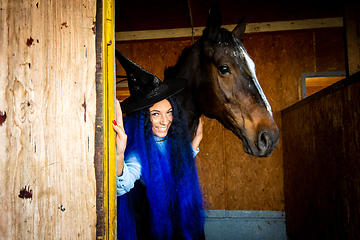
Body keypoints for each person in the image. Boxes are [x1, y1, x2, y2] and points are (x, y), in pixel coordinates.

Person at [112, 50, 205, 240]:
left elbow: (178, 158)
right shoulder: (139, 153)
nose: (165, 121)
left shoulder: (174, 143)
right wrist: (119, 154)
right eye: (156, 114)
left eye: (169, 112)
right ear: (143, 119)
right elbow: (124, 185)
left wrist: (196, 140)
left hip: (181, 218)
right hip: (160, 225)